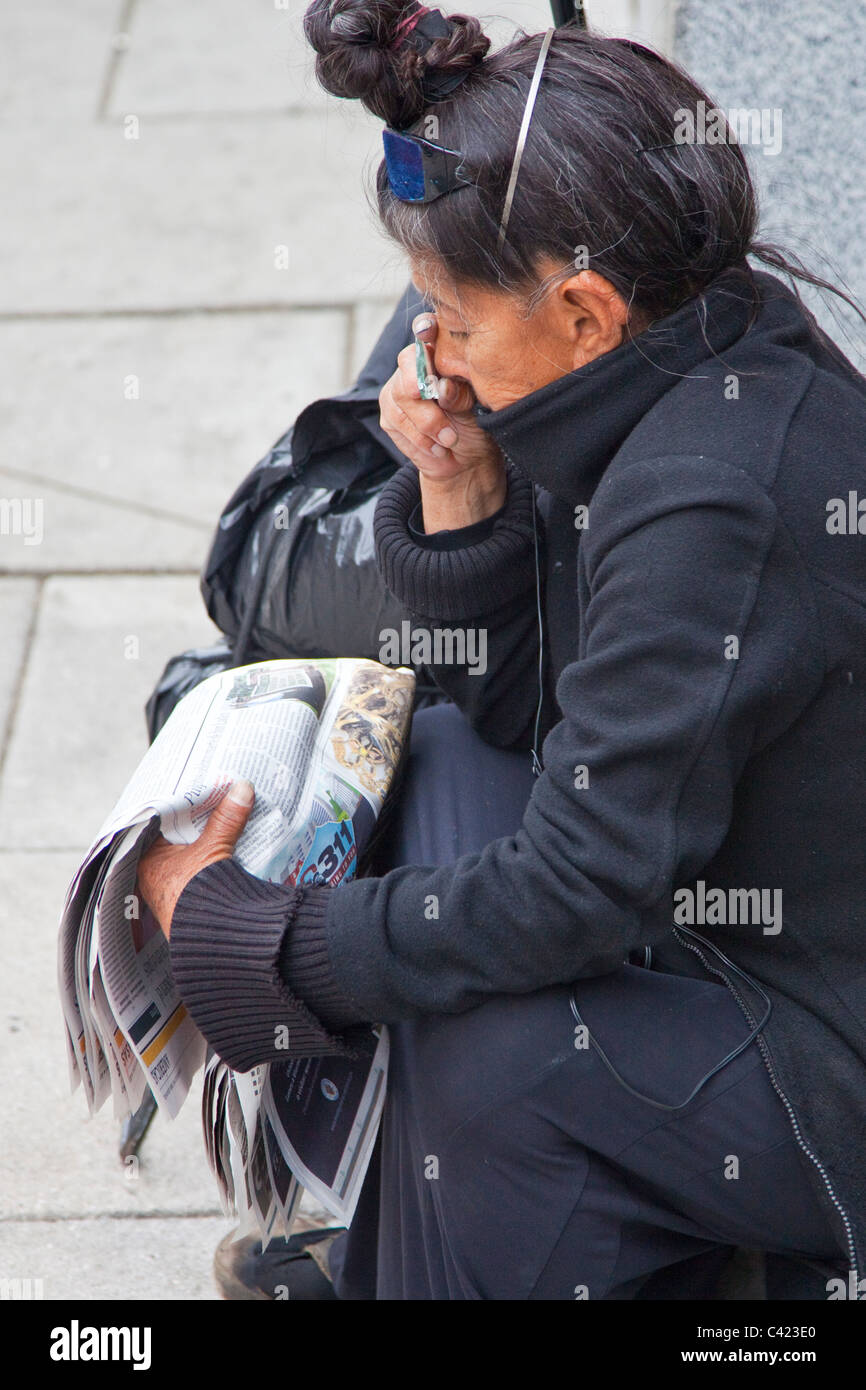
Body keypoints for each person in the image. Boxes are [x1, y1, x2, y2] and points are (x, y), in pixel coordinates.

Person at [138, 5, 866, 1300]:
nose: (435, 362)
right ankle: (438, 1253)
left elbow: (580, 885)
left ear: (583, 307)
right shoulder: (694, 348)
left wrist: (250, 937)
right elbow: (550, 728)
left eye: (451, 321)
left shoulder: (711, 495)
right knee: (425, 762)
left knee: (500, 1045)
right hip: (713, 925)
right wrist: (465, 500)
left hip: (824, 1059)